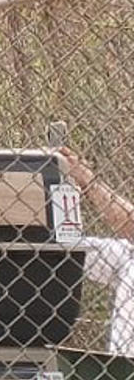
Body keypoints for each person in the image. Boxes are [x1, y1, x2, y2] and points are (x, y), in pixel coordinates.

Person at [57, 149, 134, 357]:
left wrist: (88, 181)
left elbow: (128, 223)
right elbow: (71, 250)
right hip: (121, 376)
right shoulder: (127, 257)